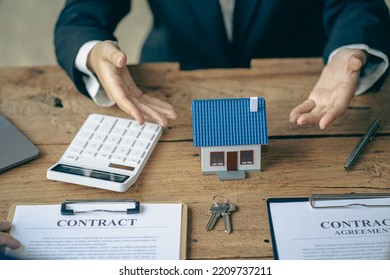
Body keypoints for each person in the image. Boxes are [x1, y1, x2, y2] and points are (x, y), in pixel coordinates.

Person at [54, 0, 390, 129]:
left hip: (301, 87)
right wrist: (94, 50)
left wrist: (350, 50)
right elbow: (80, 15)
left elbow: (358, 5)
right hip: (171, 86)